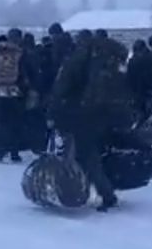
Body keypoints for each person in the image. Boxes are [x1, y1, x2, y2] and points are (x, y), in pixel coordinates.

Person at [52, 29, 123, 211]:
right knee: (96, 151)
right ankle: (101, 186)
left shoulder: (78, 59)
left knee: (86, 154)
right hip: (110, 113)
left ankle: (104, 194)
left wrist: (54, 111)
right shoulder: (111, 60)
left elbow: (62, 87)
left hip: (83, 114)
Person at [0, 33, 29, 163]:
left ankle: (1, 151)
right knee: (15, 123)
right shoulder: (19, 53)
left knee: (1, 123)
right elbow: (25, 73)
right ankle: (14, 152)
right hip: (15, 92)